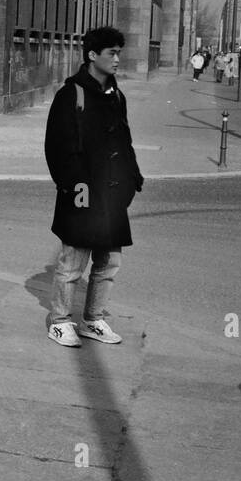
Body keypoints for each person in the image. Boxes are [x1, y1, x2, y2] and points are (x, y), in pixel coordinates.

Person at [43, 26, 143, 347]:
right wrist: (73, 185)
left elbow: (124, 140)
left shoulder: (116, 95)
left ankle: (93, 319)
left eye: (118, 53)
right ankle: (59, 321)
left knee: (109, 261)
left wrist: (133, 178)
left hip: (112, 193)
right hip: (82, 191)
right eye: (111, 53)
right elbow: (56, 147)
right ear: (92, 56)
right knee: (73, 261)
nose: (117, 59)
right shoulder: (71, 94)